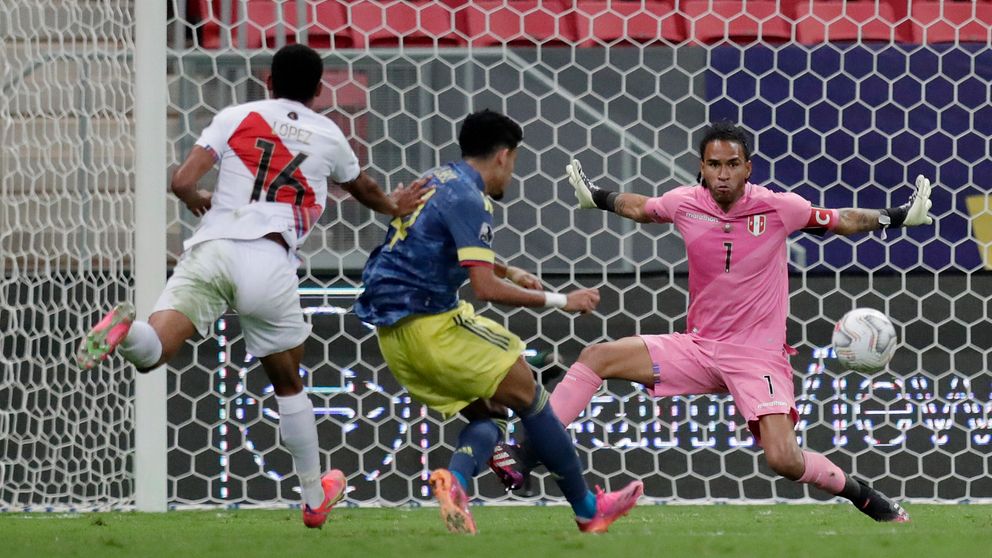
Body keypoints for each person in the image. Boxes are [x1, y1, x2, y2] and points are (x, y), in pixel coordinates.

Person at [490, 121, 934, 522]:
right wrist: (599, 198)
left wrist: (898, 218)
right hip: (698, 348)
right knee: (596, 356)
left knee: (784, 460)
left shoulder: (780, 208)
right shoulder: (686, 203)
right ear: (701, 166)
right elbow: (642, 207)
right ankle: (524, 456)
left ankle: (865, 498)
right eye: (714, 164)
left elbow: (842, 221)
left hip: (757, 355)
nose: (723, 173)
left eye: (733, 164)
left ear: (748, 168)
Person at [76, 44, 425, 529]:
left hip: (213, 246)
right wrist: (394, 206)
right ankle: (312, 497)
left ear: (267, 81)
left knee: (154, 350)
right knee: (288, 382)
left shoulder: (236, 115)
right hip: (269, 256)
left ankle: (126, 328)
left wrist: (197, 196)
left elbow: (180, 181)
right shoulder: (329, 134)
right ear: (320, 91)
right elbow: (363, 189)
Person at [353, 109, 644, 535]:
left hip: (393, 339)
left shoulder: (436, 180)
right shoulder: (471, 198)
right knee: (530, 394)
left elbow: (437, 244)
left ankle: (456, 485)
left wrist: (507, 269)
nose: (511, 174)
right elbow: (485, 290)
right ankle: (588, 509)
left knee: (490, 414)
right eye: (515, 162)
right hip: (434, 327)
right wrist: (563, 300)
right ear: (504, 156)